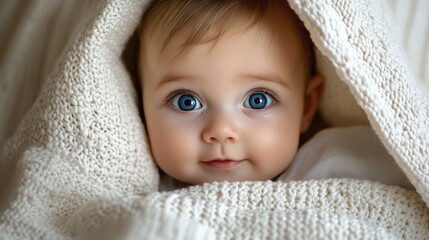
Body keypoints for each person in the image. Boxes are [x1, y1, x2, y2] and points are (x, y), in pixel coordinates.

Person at [137, 0, 412, 190]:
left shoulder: (332, 163)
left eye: (258, 100)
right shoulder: (137, 193)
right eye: (187, 101)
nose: (221, 131)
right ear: (141, 104)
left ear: (306, 106)